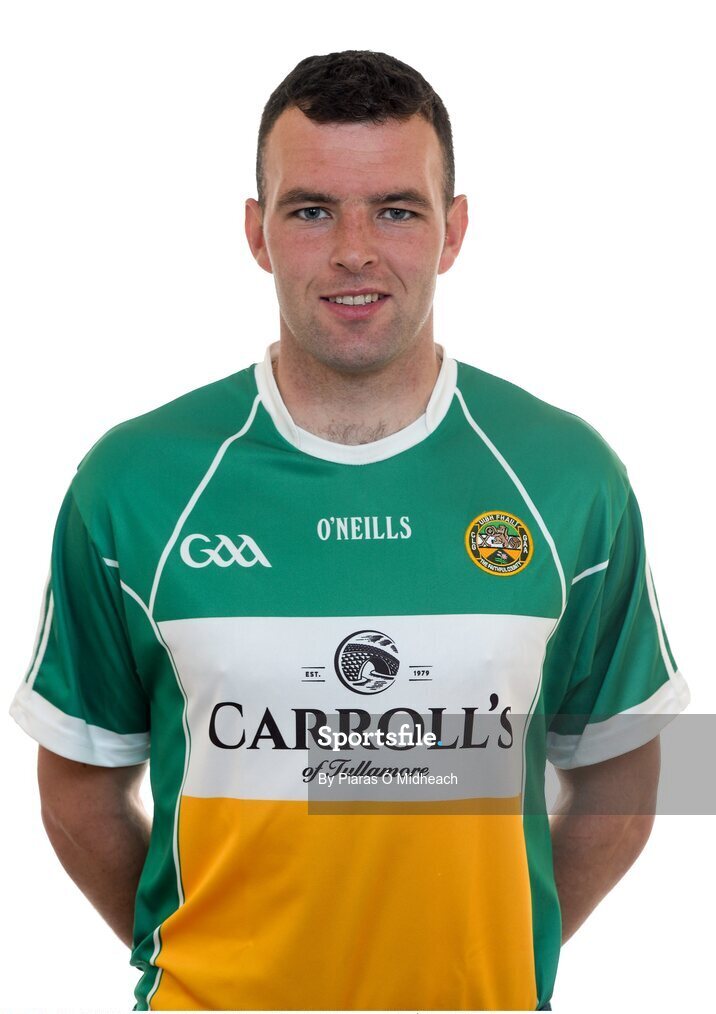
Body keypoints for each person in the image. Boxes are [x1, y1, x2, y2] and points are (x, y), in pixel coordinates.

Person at [9, 50, 689, 1012]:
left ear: (454, 230)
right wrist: (205, 970)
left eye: (397, 210)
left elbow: (628, 781)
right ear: (257, 232)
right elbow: (76, 789)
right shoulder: (135, 481)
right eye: (313, 210)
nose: (355, 251)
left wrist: (504, 965)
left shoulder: (569, 476)